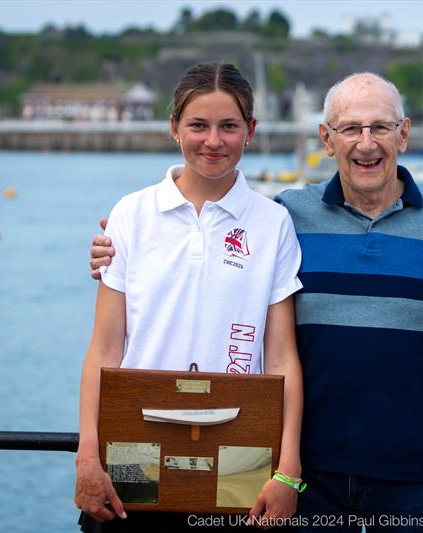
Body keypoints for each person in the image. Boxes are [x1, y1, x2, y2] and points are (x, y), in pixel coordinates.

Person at [90, 72, 423, 532]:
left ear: (403, 134)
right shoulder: (284, 217)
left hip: (418, 474)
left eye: (380, 127)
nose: (367, 143)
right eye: (351, 129)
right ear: (326, 138)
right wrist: (118, 249)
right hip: (308, 474)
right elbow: (209, 241)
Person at [76, 62, 304, 532]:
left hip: (241, 443)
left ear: (251, 131)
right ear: (174, 127)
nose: (213, 141)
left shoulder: (272, 222)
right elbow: (105, 348)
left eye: (229, 126)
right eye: (198, 125)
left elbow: (281, 357)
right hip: (134, 438)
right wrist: (87, 454)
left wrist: (288, 470)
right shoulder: (132, 213)